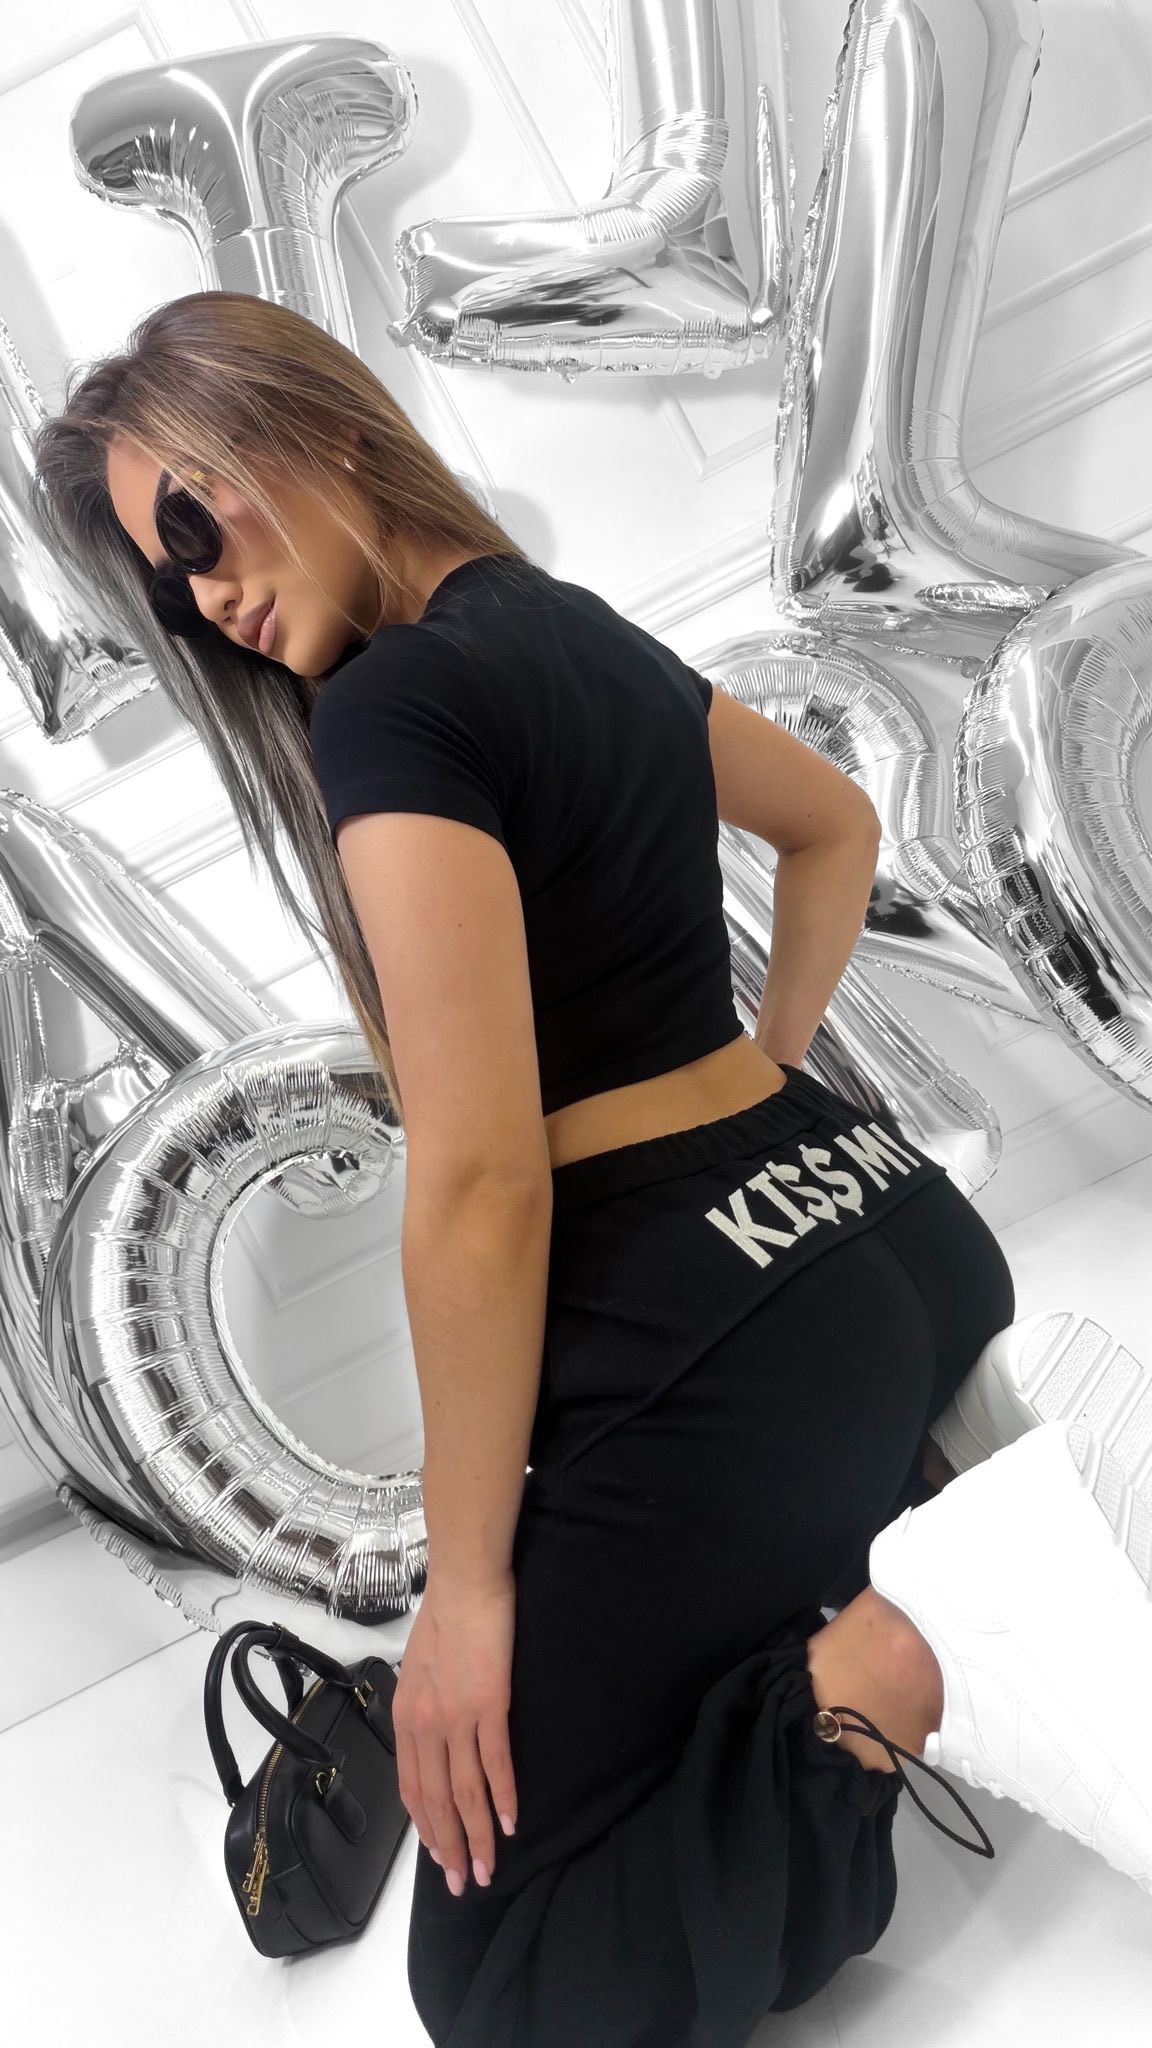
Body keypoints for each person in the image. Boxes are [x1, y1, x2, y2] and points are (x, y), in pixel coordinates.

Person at [30, 289, 1152, 2046]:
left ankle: (913, 1644)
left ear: (313, 427)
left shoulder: (390, 711)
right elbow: (836, 825)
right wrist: (768, 1076)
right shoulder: (563, 622)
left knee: (502, 1986)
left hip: (731, 1331)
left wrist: (467, 1592)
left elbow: (483, 1179)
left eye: (192, 528)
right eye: (170, 593)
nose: (209, 599)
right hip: (889, 1229)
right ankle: (944, 1489)